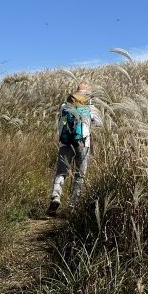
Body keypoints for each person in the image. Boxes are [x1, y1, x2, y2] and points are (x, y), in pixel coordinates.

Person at [47, 83, 102, 215]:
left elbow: (60, 121)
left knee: (61, 172)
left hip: (65, 143)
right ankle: (73, 206)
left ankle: (56, 196)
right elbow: (99, 123)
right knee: (80, 175)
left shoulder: (64, 106)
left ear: (75, 92)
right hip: (83, 143)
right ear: (87, 94)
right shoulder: (90, 107)